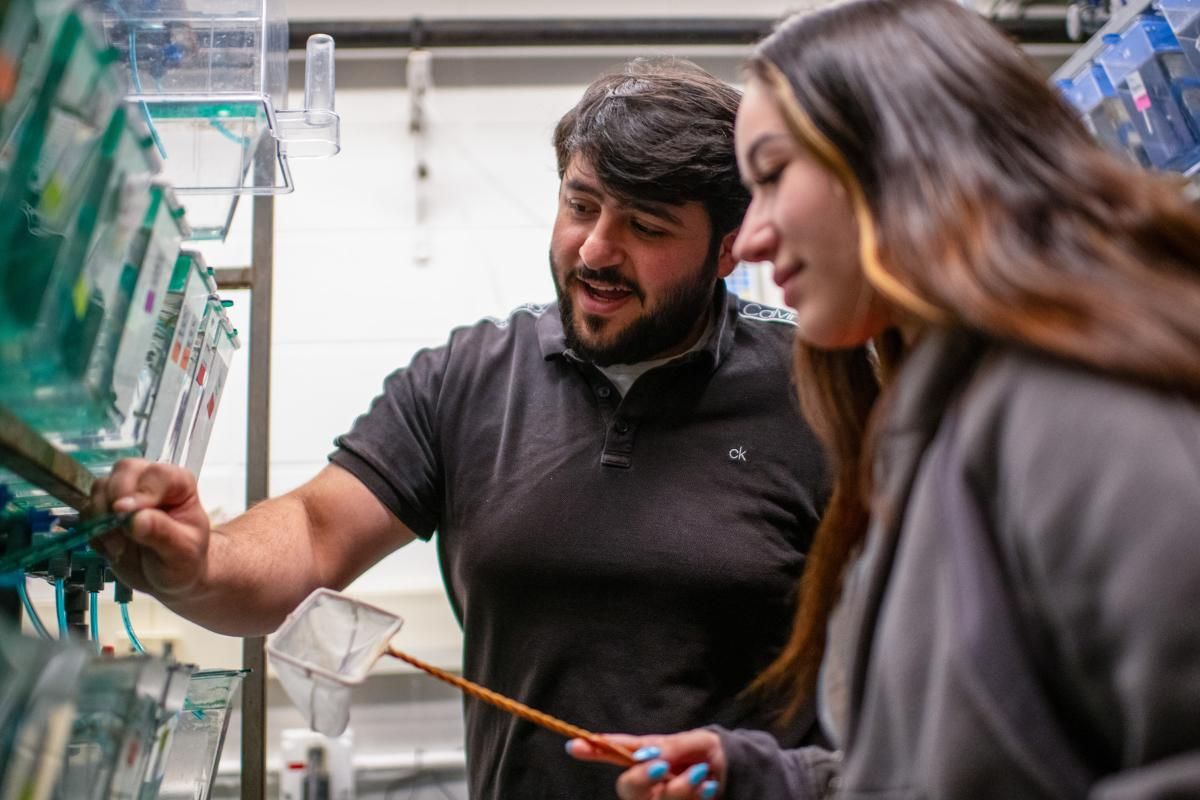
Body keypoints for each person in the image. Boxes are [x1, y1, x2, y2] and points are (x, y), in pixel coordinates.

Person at [91, 58, 830, 800]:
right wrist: (201, 562)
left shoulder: (824, 392)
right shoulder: (471, 376)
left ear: (729, 247)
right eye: (581, 206)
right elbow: (314, 534)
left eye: (645, 226)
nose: (597, 250)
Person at [567, 2, 1200, 797]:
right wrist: (776, 780)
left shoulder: (1079, 403)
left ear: (901, 155)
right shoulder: (937, 423)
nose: (752, 238)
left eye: (772, 177)